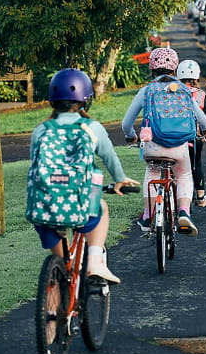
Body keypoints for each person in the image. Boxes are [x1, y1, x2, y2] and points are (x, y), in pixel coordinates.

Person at [28, 68, 140, 284]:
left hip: (44, 204)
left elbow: (35, 166)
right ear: (86, 100)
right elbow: (109, 157)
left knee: (64, 267)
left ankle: (57, 301)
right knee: (102, 208)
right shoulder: (92, 128)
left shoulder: (41, 130)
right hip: (81, 203)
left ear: (52, 100)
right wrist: (120, 179)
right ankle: (95, 263)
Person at [121, 46, 206, 236]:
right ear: (175, 68)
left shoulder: (146, 91)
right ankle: (184, 212)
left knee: (152, 173)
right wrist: (205, 130)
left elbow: (126, 122)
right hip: (179, 146)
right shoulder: (184, 90)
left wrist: (131, 135)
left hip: (152, 145)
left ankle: (148, 215)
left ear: (152, 68)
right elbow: (201, 117)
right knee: (184, 175)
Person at [176, 59, 206, 207]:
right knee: (195, 164)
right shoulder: (200, 95)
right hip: (194, 138)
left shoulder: (172, 92)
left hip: (171, 137)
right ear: (196, 77)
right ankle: (200, 196)